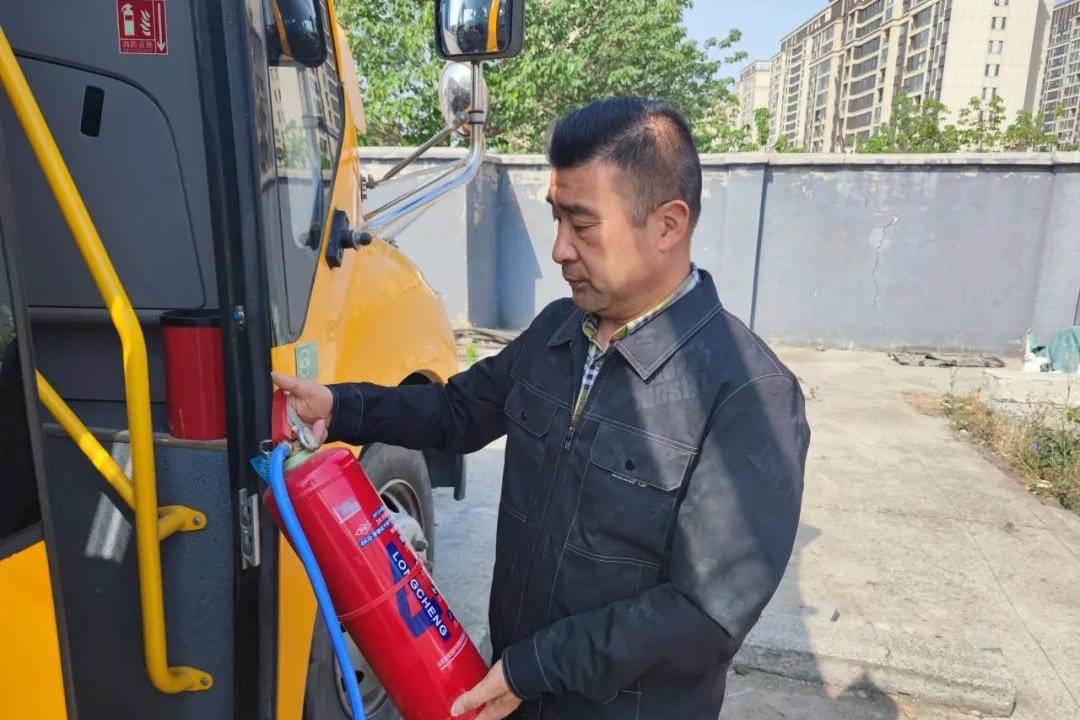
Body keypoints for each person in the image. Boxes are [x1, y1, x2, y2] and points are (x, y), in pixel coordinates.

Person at [274, 97, 810, 720]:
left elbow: (705, 614)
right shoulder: (559, 331)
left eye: (582, 226)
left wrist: (534, 669)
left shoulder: (749, 395)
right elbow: (456, 413)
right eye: (557, 219)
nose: (559, 250)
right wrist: (340, 406)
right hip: (515, 689)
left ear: (668, 225)